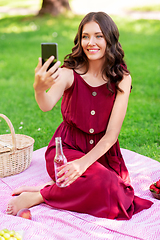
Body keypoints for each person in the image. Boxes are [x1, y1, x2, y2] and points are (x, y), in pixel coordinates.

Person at [7, 12, 153, 220]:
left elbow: (112, 134)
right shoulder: (68, 73)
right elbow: (46, 105)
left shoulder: (121, 79)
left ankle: (42, 193)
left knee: (117, 192)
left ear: (109, 39)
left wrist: (83, 164)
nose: (90, 42)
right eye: (85, 36)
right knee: (105, 185)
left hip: (103, 153)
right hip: (66, 150)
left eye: (98, 36)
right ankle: (54, 189)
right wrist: (39, 89)